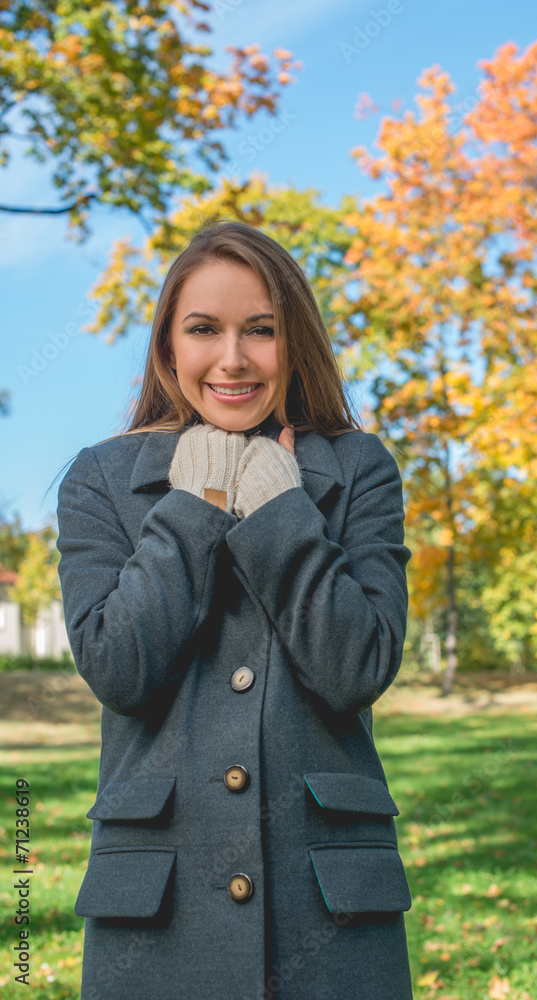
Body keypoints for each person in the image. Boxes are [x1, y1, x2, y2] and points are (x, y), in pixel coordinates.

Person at [55, 219, 415, 1000]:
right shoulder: (101, 480)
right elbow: (118, 669)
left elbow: (356, 668)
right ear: (167, 350)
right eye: (203, 329)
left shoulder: (358, 469)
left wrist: (281, 510)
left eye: (261, 330)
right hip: (157, 912)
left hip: (331, 909)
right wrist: (193, 505)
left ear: (296, 345)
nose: (232, 358)